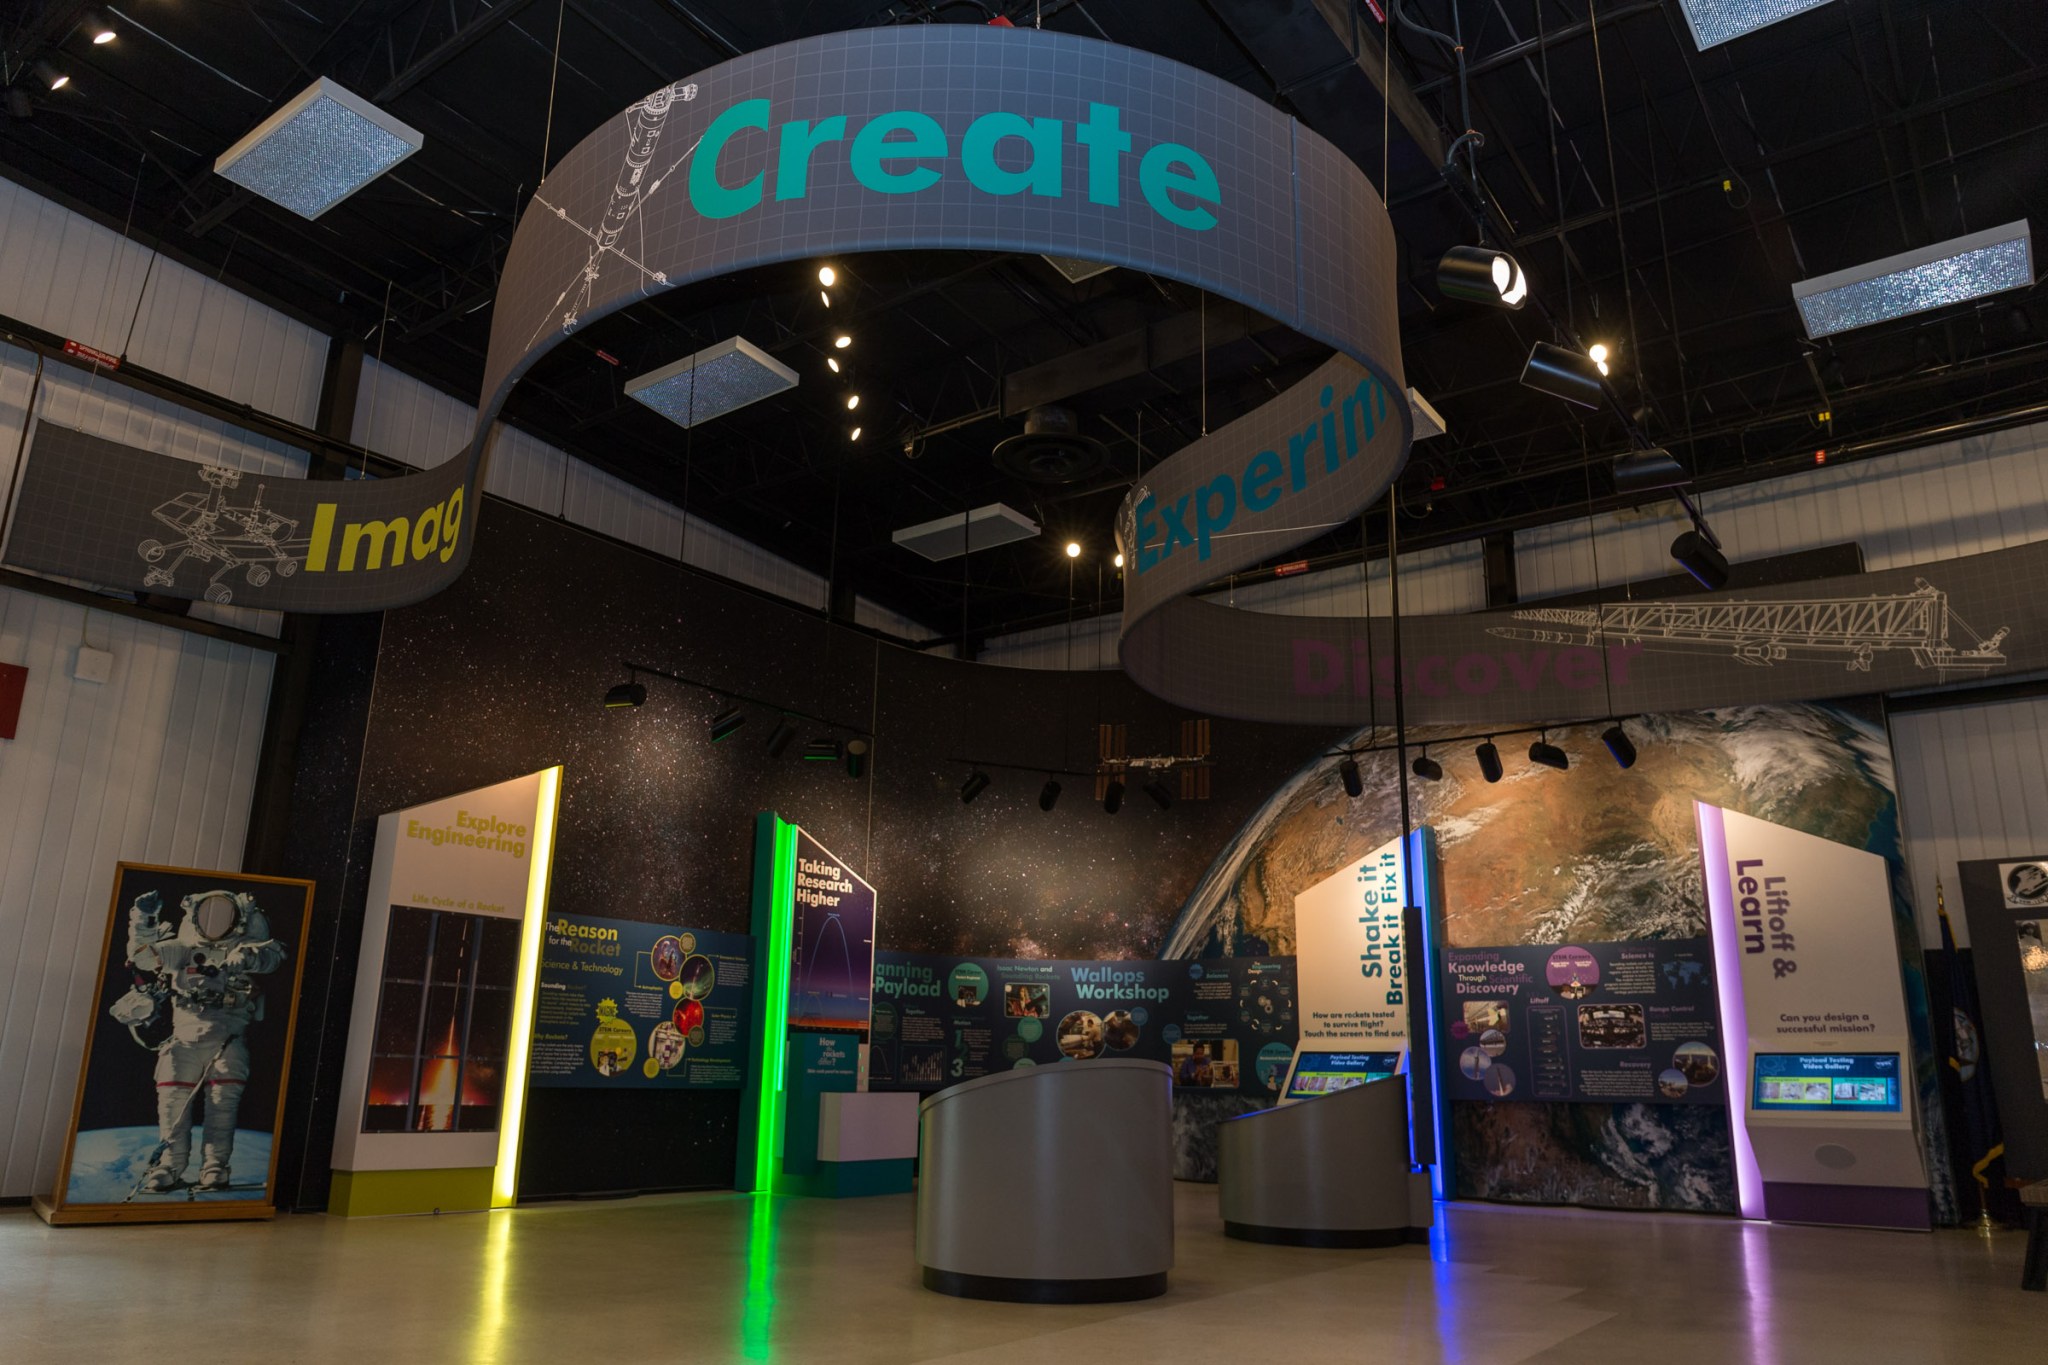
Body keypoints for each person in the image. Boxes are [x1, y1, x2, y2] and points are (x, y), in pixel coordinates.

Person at [117, 889, 284, 1194]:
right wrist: (143, 919)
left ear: (240, 918)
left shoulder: (248, 949)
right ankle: (169, 1165)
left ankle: (214, 1167)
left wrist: (244, 957)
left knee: (221, 1108)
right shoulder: (182, 950)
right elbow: (142, 956)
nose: (215, 922)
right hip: (184, 1039)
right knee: (171, 1104)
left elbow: (272, 956)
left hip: (227, 1038)